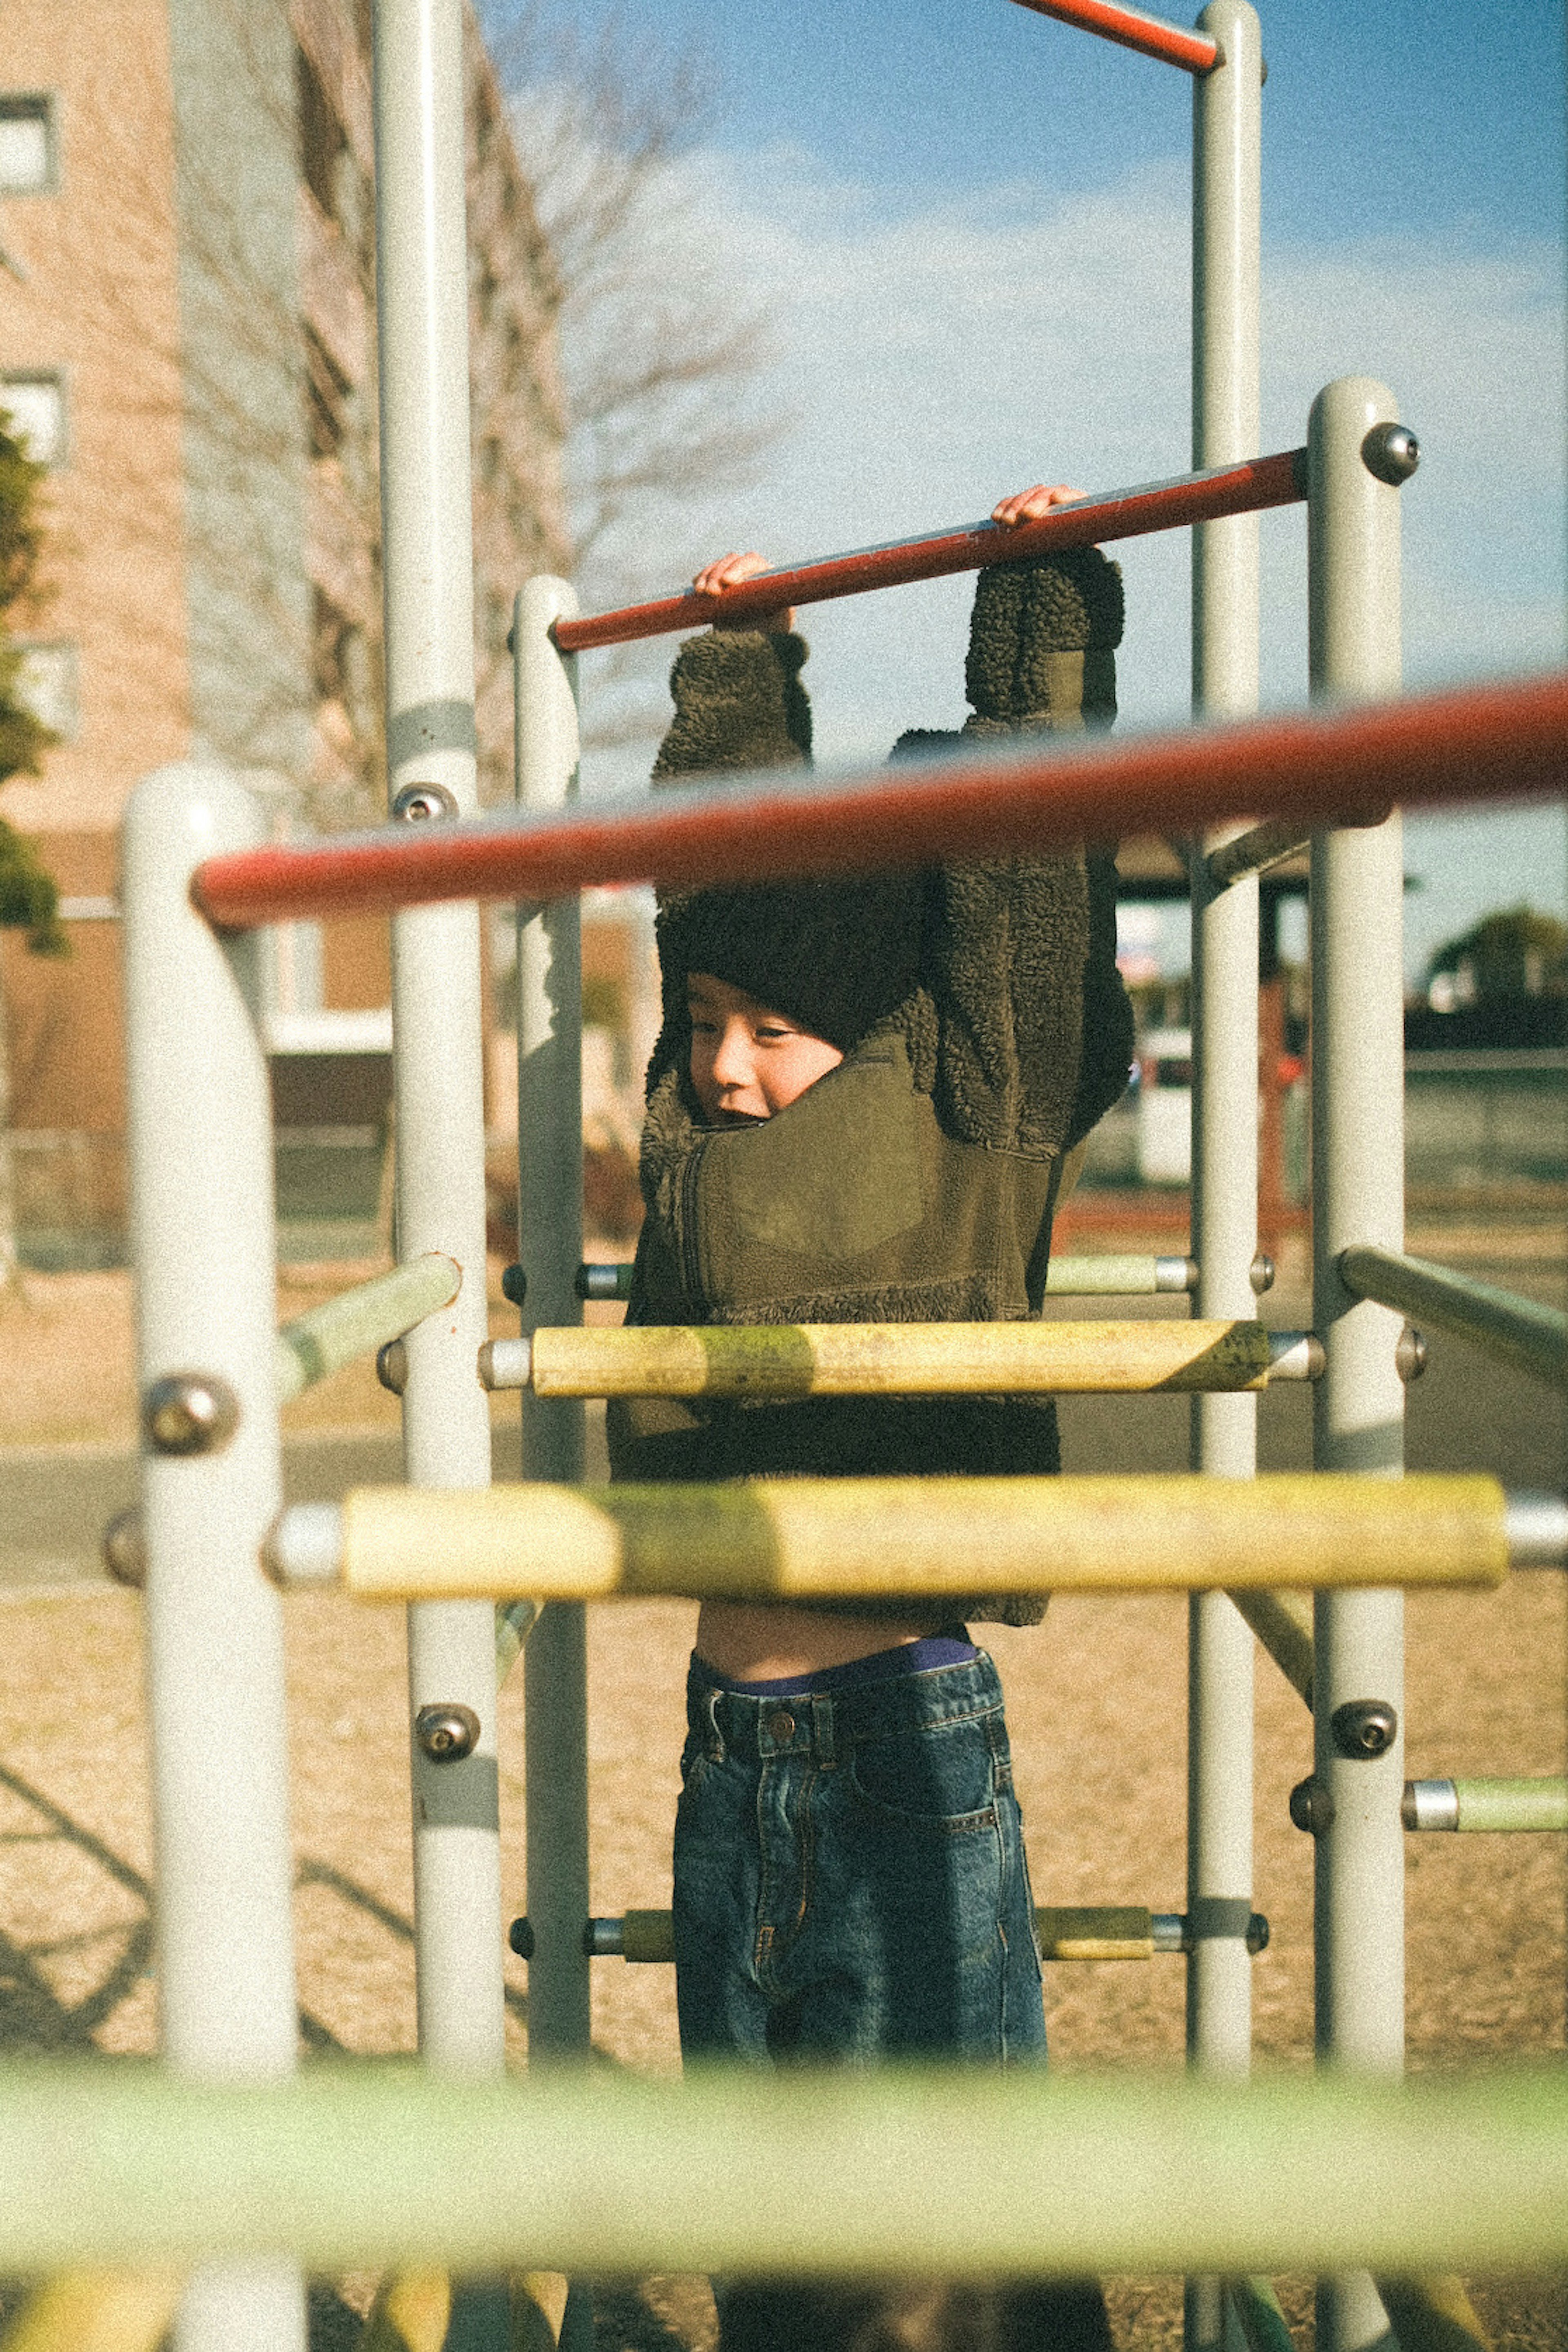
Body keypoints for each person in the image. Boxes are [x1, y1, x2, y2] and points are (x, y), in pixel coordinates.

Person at [608, 486, 1134, 2352]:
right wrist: (743, 670)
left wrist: (1030, 606)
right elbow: (712, 876)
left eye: (776, 1029)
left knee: (948, 2240)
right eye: (708, 1024)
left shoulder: (966, 1103)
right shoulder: (691, 1132)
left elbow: (1021, 874)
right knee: (781, 2229)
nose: (730, 1066)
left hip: (902, 1741)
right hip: (726, 1753)